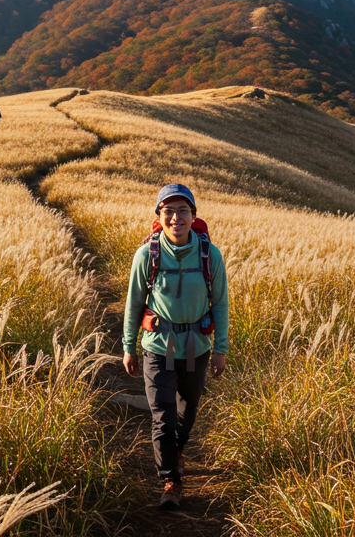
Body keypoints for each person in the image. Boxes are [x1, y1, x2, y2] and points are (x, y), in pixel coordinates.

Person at [122, 183, 228, 510]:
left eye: (183, 210)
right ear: (160, 216)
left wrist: (220, 348)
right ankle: (171, 479)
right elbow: (134, 302)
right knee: (163, 414)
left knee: (188, 408)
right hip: (158, 346)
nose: (176, 217)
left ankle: (177, 451)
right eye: (168, 211)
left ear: (193, 215)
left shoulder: (210, 255)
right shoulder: (147, 255)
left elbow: (220, 304)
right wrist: (129, 346)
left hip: (197, 347)